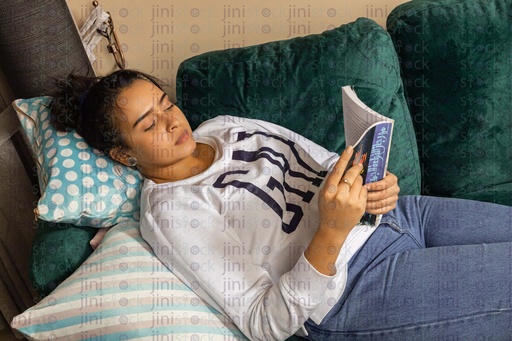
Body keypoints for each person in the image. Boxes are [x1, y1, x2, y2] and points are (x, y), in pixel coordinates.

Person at [51, 69, 512, 340]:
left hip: (399, 215)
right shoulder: (172, 213)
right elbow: (262, 321)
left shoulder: (223, 126)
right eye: (149, 124)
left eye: (166, 103)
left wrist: (374, 185)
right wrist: (331, 230)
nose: (172, 122)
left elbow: (326, 163)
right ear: (124, 156)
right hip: (355, 288)